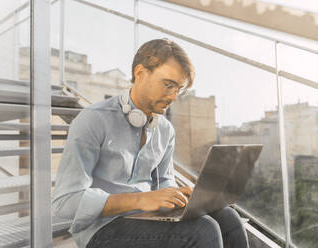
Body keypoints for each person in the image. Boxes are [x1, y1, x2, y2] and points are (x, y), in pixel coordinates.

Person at [52, 38, 249, 248]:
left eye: (179, 89)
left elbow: (164, 180)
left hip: (147, 218)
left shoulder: (164, 129)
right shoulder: (93, 120)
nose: (173, 97)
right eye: (168, 85)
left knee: (228, 218)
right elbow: (65, 202)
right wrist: (140, 200)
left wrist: (179, 197)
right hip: (101, 229)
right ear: (140, 73)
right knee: (203, 230)